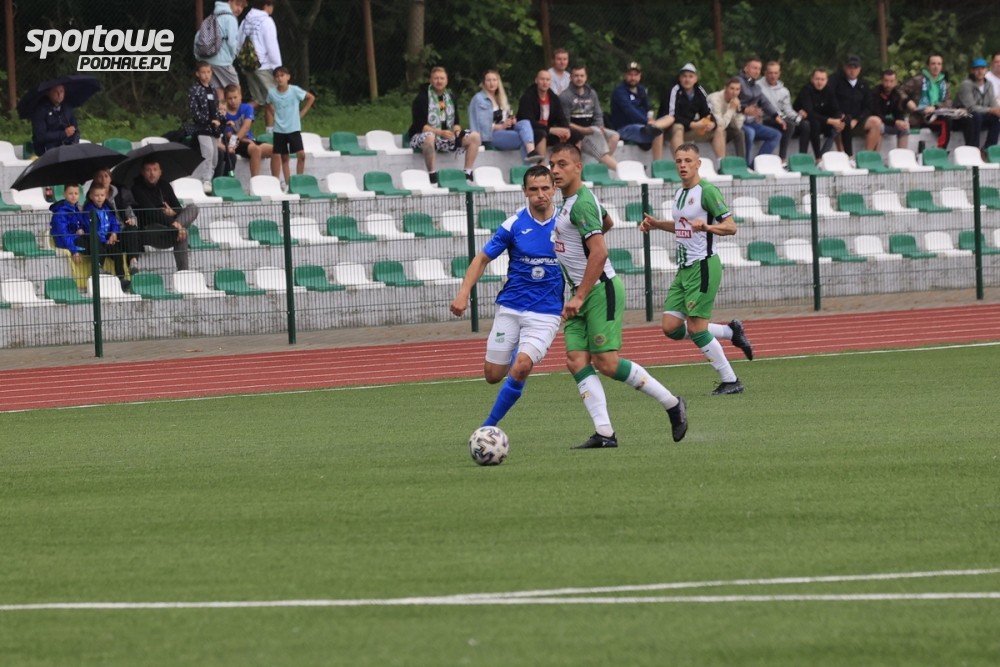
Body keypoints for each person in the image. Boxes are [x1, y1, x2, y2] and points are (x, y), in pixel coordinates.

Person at [548, 144, 688, 448]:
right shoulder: (572, 202)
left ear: (578, 167)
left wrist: (579, 296)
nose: (555, 170)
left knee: (607, 363)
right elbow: (607, 222)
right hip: (581, 292)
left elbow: (600, 253)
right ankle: (605, 433)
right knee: (576, 360)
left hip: (598, 291)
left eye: (562, 164)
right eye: (552, 165)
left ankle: (672, 403)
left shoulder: (581, 204)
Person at [449, 165, 563, 428]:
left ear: (554, 189)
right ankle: (516, 352)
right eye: (534, 189)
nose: (541, 194)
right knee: (492, 375)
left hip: (546, 312)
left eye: (545, 188)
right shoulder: (513, 225)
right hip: (510, 307)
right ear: (525, 191)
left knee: (521, 367)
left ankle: (487, 427)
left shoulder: (567, 224)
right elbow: (482, 258)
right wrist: (463, 294)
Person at [639, 143, 753, 395]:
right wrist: (657, 224)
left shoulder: (707, 191)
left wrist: (708, 227)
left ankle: (731, 380)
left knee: (696, 329)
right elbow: (683, 227)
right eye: (679, 161)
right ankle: (729, 331)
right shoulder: (680, 193)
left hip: (703, 266)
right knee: (671, 327)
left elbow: (731, 227)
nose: (682, 165)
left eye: (688, 160)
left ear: (698, 164)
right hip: (684, 269)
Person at [408, 66, 481, 183]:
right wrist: (439, 132)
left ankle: (467, 172)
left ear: (446, 81)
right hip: (423, 136)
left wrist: (457, 132)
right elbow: (420, 125)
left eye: (442, 78)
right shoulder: (421, 98)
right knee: (429, 137)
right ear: (431, 80)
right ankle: (432, 174)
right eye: (436, 78)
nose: (439, 81)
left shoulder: (450, 97)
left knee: (475, 137)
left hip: (446, 137)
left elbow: (456, 123)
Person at [130, 157, 200, 271]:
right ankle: (184, 272)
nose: (152, 173)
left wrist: (173, 213)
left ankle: (183, 274)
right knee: (182, 233)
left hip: (170, 227)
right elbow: (151, 213)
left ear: (160, 172)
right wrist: (175, 224)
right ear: (142, 172)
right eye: (148, 170)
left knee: (193, 208)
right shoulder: (137, 189)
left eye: (155, 169)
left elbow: (178, 208)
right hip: (150, 230)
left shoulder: (165, 185)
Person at [467, 69, 542, 163]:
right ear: (484, 83)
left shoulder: (500, 97)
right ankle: (529, 166)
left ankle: (531, 153)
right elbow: (482, 124)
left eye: (494, 80)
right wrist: (501, 126)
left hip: (505, 131)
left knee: (525, 123)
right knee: (523, 138)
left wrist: (511, 120)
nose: (492, 83)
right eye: (488, 80)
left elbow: (504, 118)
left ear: (498, 82)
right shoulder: (479, 99)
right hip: (490, 135)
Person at [559, 64, 621, 171]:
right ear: (571, 77)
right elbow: (565, 122)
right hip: (578, 132)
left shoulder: (592, 93)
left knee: (614, 136)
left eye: (582, 76)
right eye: (576, 76)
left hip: (593, 129)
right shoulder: (565, 96)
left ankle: (601, 165)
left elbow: (598, 114)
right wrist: (585, 130)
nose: (579, 78)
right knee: (601, 154)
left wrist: (599, 126)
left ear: (586, 77)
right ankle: (622, 170)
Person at [267, 65, 316, 186]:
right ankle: (289, 184)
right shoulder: (272, 93)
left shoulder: (295, 90)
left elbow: (310, 98)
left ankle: (299, 180)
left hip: (293, 128)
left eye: (282, 75)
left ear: (288, 77)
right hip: (279, 130)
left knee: (301, 155)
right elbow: (267, 103)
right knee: (284, 157)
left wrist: (302, 112)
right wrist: (274, 114)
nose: (280, 78)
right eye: (277, 76)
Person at [516, 70, 582, 159]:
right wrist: (550, 130)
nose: (545, 82)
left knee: (576, 135)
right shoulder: (527, 98)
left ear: (550, 82)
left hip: (549, 131)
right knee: (541, 134)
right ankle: (541, 165)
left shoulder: (553, 98)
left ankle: (575, 163)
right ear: (536, 81)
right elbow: (528, 122)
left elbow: (561, 118)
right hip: (532, 132)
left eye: (547, 80)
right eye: (542, 79)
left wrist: (566, 130)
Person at [238, 0, 282, 131]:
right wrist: (278, 69)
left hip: (249, 66)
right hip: (264, 67)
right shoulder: (266, 21)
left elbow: (238, 43)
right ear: (266, 5)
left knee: (258, 100)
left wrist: (242, 64)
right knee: (273, 100)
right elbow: (272, 47)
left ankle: (236, 124)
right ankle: (270, 135)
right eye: (272, 5)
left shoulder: (246, 21)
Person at [194, 0, 247, 105]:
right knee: (236, 90)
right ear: (230, 1)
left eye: (242, 7)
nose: (239, 9)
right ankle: (238, 114)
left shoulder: (214, 15)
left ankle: (220, 113)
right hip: (223, 61)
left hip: (207, 60)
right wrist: (234, 56)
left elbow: (198, 36)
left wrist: (198, 56)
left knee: (219, 92)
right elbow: (232, 43)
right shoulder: (230, 18)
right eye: (237, 4)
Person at [609, 61, 665, 160]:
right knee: (656, 133)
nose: (633, 78)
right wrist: (646, 121)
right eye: (630, 75)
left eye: (636, 75)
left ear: (640, 76)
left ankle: (657, 163)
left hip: (641, 126)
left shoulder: (641, 90)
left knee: (660, 128)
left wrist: (650, 119)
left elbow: (647, 108)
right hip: (624, 127)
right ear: (625, 75)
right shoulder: (620, 91)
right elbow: (629, 111)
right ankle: (657, 164)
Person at [658, 63, 716, 157]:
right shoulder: (674, 90)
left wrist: (712, 123)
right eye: (684, 76)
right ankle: (681, 161)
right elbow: (671, 115)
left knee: (719, 130)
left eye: (690, 76)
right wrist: (692, 124)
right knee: (678, 127)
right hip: (669, 130)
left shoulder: (699, 90)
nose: (687, 79)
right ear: (680, 78)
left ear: (696, 79)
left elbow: (707, 111)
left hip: (689, 129)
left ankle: (721, 162)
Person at [92, 167, 143, 274]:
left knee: (132, 229)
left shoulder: (121, 194)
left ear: (110, 178)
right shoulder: (93, 199)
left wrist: (131, 220)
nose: (103, 179)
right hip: (106, 236)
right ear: (95, 179)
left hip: (122, 233)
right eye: (100, 176)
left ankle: (133, 262)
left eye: (106, 176)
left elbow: (131, 215)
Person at [736, 56, 783, 166]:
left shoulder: (756, 86)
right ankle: (744, 165)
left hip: (751, 122)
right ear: (746, 68)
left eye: (759, 69)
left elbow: (765, 102)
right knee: (750, 133)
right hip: (738, 122)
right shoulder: (737, 82)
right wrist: (744, 109)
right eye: (754, 68)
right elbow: (730, 100)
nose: (757, 71)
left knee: (776, 135)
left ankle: (756, 165)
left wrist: (776, 116)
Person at [901, 54, 955, 150]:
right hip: (920, 117)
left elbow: (948, 102)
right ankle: (941, 151)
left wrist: (935, 107)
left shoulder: (944, 84)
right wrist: (907, 101)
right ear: (928, 66)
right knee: (945, 122)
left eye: (939, 64)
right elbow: (900, 91)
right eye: (933, 64)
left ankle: (941, 150)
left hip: (936, 115)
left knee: (950, 119)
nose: (936, 67)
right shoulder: (918, 80)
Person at [82, 183, 129, 291]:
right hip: (95, 241)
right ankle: (98, 273)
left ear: (106, 196)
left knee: (117, 253)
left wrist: (114, 233)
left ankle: (121, 279)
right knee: (101, 250)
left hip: (107, 240)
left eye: (102, 195)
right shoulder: (88, 210)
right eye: (97, 195)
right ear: (91, 196)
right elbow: (90, 229)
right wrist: (104, 239)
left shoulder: (107, 209)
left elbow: (114, 223)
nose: (99, 198)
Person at [758, 60, 809, 160]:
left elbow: (788, 110)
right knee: (789, 125)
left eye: (776, 73)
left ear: (779, 73)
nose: (773, 76)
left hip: (780, 118)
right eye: (770, 73)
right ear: (765, 73)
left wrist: (799, 118)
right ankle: (782, 158)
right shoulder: (758, 86)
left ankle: (803, 158)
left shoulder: (784, 91)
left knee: (805, 125)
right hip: (765, 118)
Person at [830, 55, 879, 157]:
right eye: (850, 67)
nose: (852, 71)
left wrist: (857, 120)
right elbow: (831, 101)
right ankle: (844, 156)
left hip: (858, 121)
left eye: (855, 68)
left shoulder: (864, 85)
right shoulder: (836, 82)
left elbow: (869, 107)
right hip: (841, 120)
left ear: (859, 69)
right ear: (845, 68)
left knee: (876, 122)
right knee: (839, 125)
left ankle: (866, 156)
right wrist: (840, 115)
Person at [188, 61, 227, 190]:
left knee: (215, 157)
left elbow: (215, 109)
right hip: (202, 129)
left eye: (208, 72)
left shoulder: (212, 89)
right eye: (203, 72)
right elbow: (195, 111)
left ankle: (208, 180)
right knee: (208, 153)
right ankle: (205, 180)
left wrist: (222, 120)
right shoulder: (195, 90)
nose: (206, 75)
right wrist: (209, 121)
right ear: (197, 74)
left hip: (213, 130)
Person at [222, 83, 274, 177]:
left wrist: (248, 140)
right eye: (230, 98)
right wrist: (240, 140)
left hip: (249, 140)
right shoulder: (223, 113)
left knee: (276, 150)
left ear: (240, 96)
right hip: (234, 144)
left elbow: (246, 126)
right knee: (256, 150)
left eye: (235, 97)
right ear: (225, 99)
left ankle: (277, 180)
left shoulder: (247, 107)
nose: (233, 101)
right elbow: (229, 135)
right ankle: (255, 181)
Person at [794, 68, 844, 158]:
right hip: (805, 122)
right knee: (814, 124)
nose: (819, 82)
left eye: (822, 79)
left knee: (844, 121)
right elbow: (809, 113)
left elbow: (836, 109)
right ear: (812, 79)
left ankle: (847, 155)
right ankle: (818, 157)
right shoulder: (806, 90)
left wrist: (838, 119)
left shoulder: (829, 90)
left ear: (826, 81)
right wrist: (830, 121)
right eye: (817, 79)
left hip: (823, 120)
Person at [954, 58, 1000, 149]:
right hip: (963, 117)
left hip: (981, 115)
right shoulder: (966, 85)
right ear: (972, 71)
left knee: (996, 118)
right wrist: (991, 110)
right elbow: (971, 107)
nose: (980, 72)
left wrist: (997, 110)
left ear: (986, 70)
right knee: (975, 116)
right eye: (977, 69)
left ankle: (989, 148)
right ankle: (974, 148)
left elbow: (993, 103)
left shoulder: (989, 84)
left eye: (982, 69)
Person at [31, 84, 80, 157]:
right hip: (47, 149)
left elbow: (76, 130)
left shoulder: (67, 108)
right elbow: (40, 136)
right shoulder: (40, 110)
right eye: (55, 92)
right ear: (48, 93)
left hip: (67, 147)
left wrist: (74, 144)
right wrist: (63, 134)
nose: (59, 94)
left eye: (61, 91)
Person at [868, 69, 910, 152]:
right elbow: (876, 114)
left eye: (891, 81)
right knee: (878, 127)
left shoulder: (896, 94)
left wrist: (901, 122)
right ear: (881, 81)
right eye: (886, 81)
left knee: (905, 129)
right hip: (876, 123)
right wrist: (895, 122)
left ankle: (902, 156)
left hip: (888, 123)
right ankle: (875, 156)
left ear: (895, 82)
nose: (888, 84)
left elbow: (898, 112)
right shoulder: (874, 93)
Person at [706, 78, 747, 160]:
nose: (734, 92)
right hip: (710, 127)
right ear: (725, 88)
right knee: (722, 132)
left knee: (740, 133)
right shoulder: (715, 99)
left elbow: (737, 126)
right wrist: (731, 109)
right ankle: (724, 162)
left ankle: (742, 162)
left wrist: (738, 111)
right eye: (732, 88)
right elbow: (719, 124)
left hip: (723, 125)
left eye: (737, 89)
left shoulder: (735, 101)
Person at [48, 183, 86, 261]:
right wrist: (74, 251)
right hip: (66, 243)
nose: (73, 196)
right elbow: (64, 235)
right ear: (64, 194)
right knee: (95, 245)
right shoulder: (60, 213)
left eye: (76, 193)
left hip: (76, 238)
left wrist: (80, 229)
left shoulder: (76, 209)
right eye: (70, 193)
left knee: (98, 242)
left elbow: (81, 224)